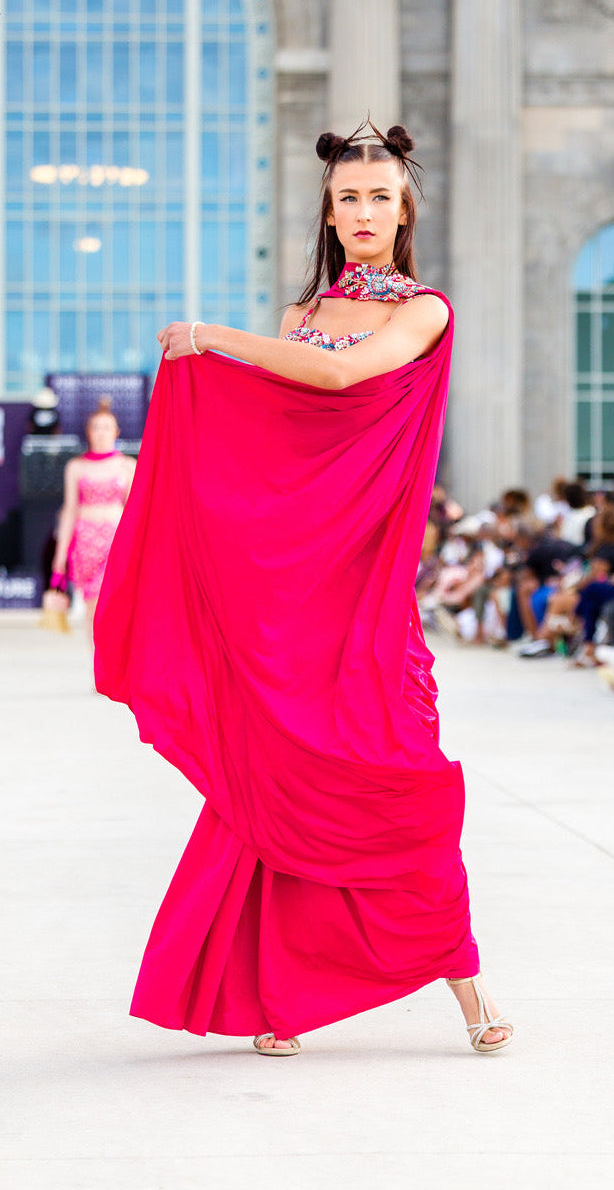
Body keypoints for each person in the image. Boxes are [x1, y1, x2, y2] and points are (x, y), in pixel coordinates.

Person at [94, 121, 513, 1057]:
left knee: (397, 779)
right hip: (288, 593)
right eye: (347, 198)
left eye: (379, 196)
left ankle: (468, 988)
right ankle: (274, 1000)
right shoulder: (297, 314)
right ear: (328, 214)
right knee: (272, 782)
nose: (363, 211)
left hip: (363, 595)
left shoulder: (424, 311)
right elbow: (276, 442)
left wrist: (212, 338)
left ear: (404, 211)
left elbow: (339, 373)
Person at [51, 399, 134, 638]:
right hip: (86, 545)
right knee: (93, 608)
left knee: (116, 606)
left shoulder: (127, 466)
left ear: (116, 432)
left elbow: (134, 510)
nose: (101, 433)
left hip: (116, 543)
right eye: (96, 427)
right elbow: (70, 510)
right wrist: (60, 556)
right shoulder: (76, 467)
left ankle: (115, 663)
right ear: (88, 432)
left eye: (106, 427)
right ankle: (99, 664)